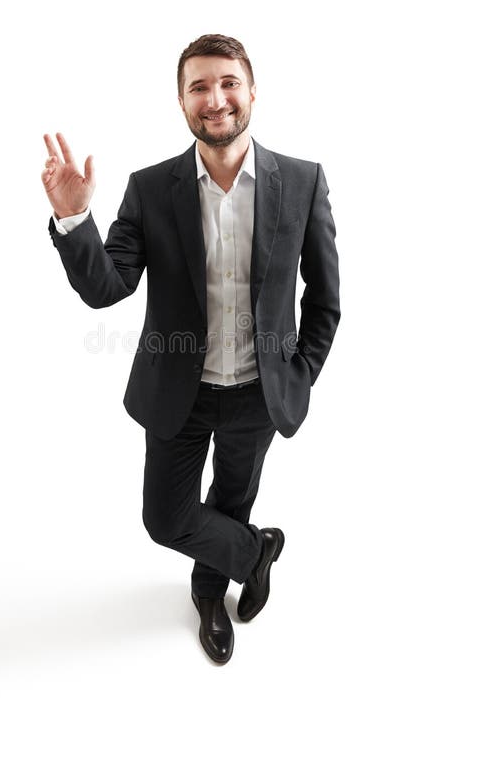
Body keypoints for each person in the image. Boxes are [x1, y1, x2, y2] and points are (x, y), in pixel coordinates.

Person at [41, 34, 340, 665]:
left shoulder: (304, 181)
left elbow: (326, 297)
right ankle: (255, 554)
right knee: (167, 517)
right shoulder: (151, 189)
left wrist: (300, 373)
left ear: (252, 91)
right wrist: (75, 221)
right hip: (181, 391)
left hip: (262, 393)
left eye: (228, 82)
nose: (216, 98)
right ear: (181, 100)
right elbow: (107, 287)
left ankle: (210, 596)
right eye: (199, 86)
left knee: (232, 500)